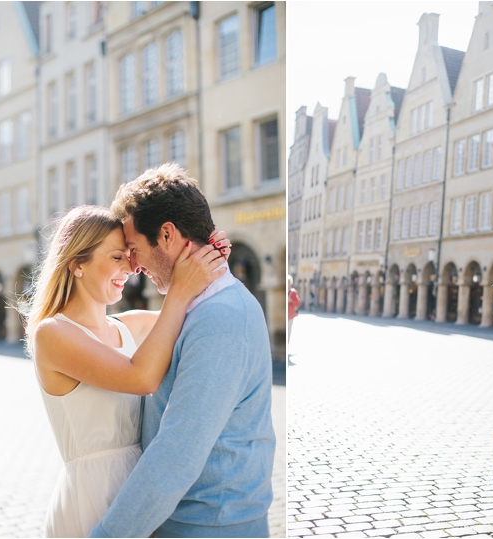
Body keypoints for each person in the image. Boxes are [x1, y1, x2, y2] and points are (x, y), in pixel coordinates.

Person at [89, 163, 275, 538]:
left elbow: (177, 454)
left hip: (209, 526)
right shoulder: (202, 305)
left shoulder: (221, 319)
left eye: (134, 248)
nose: (134, 265)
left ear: (168, 234)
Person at [24, 205, 231, 537]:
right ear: (78, 265)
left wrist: (206, 255)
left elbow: (201, 317)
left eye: (129, 257)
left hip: (140, 495)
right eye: (118, 257)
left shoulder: (128, 326)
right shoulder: (52, 334)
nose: (131, 268)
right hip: (91, 498)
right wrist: (177, 291)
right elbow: (141, 377)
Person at [288, 274, 300, 344]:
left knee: (288, 331)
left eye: (288, 281)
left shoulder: (293, 292)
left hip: (290, 315)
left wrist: (291, 301)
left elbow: (298, 303)